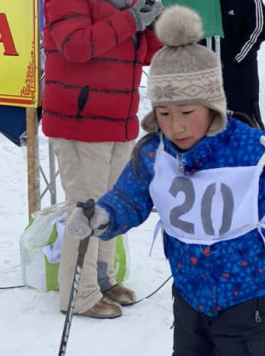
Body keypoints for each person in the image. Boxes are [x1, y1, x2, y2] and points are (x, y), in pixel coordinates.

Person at [65, 5, 265, 356]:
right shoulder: (153, 153)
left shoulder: (253, 147)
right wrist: (104, 215)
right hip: (189, 289)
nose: (175, 126)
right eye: (164, 114)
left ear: (213, 105)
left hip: (247, 289)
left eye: (188, 113)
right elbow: (129, 199)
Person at [41, 0, 163, 319]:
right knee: (85, 208)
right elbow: (75, 46)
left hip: (118, 119)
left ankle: (102, 280)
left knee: (111, 206)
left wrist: (153, 22)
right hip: (79, 121)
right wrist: (130, 19)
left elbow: (146, 53)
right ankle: (78, 294)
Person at [219, 0, 265, 130]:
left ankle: (254, 148)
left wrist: (238, 58)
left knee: (244, 118)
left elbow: (259, 27)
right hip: (211, 72)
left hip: (240, 72)